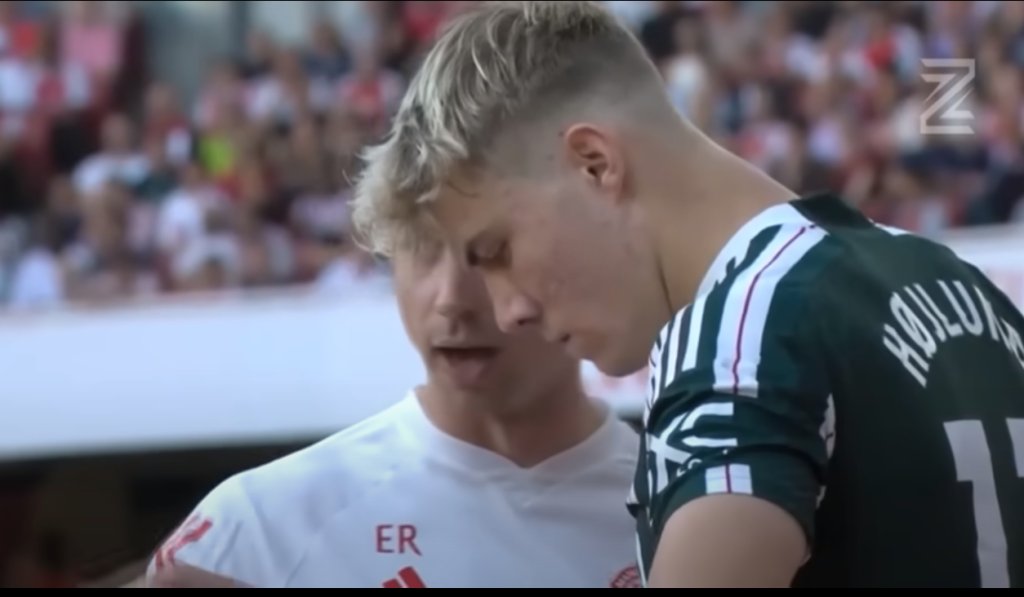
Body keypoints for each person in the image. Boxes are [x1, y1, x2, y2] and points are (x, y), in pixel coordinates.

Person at [350, 0, 1024, 588]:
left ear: (595, 164)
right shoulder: (958, 285)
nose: (509, 311)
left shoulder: (741, 333)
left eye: (496, 251)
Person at [143, 226, 641, 588]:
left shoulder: (677, 501)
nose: (451, 299)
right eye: (422, 246)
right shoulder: (255, 531)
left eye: (492, 252)